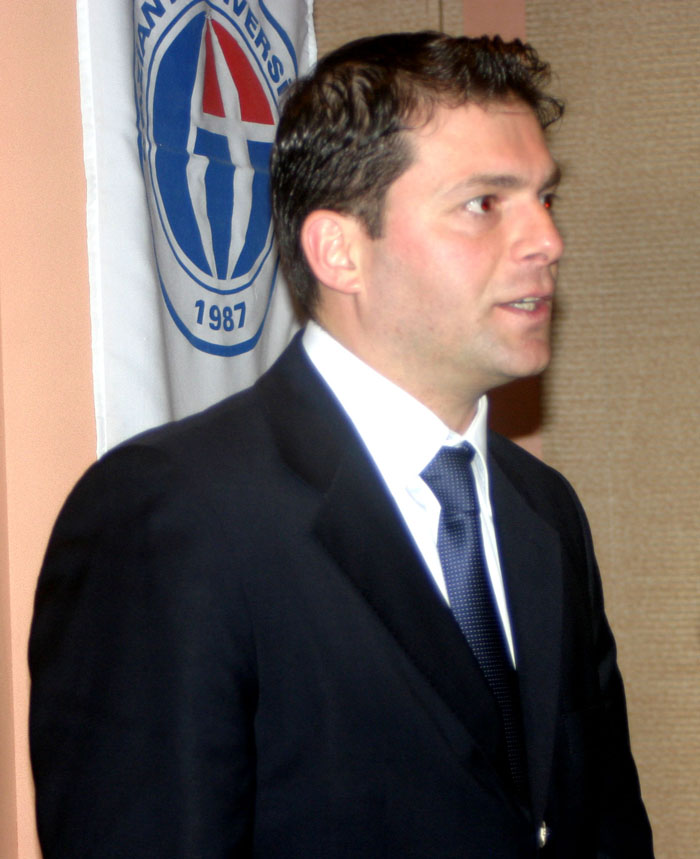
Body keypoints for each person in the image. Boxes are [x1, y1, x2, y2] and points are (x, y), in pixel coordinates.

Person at [29, 32, 654, 857]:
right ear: (340, 251)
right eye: (485, 203)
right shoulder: (171, 516)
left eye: (545, 197)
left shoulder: (544, 513)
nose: (547, 240)